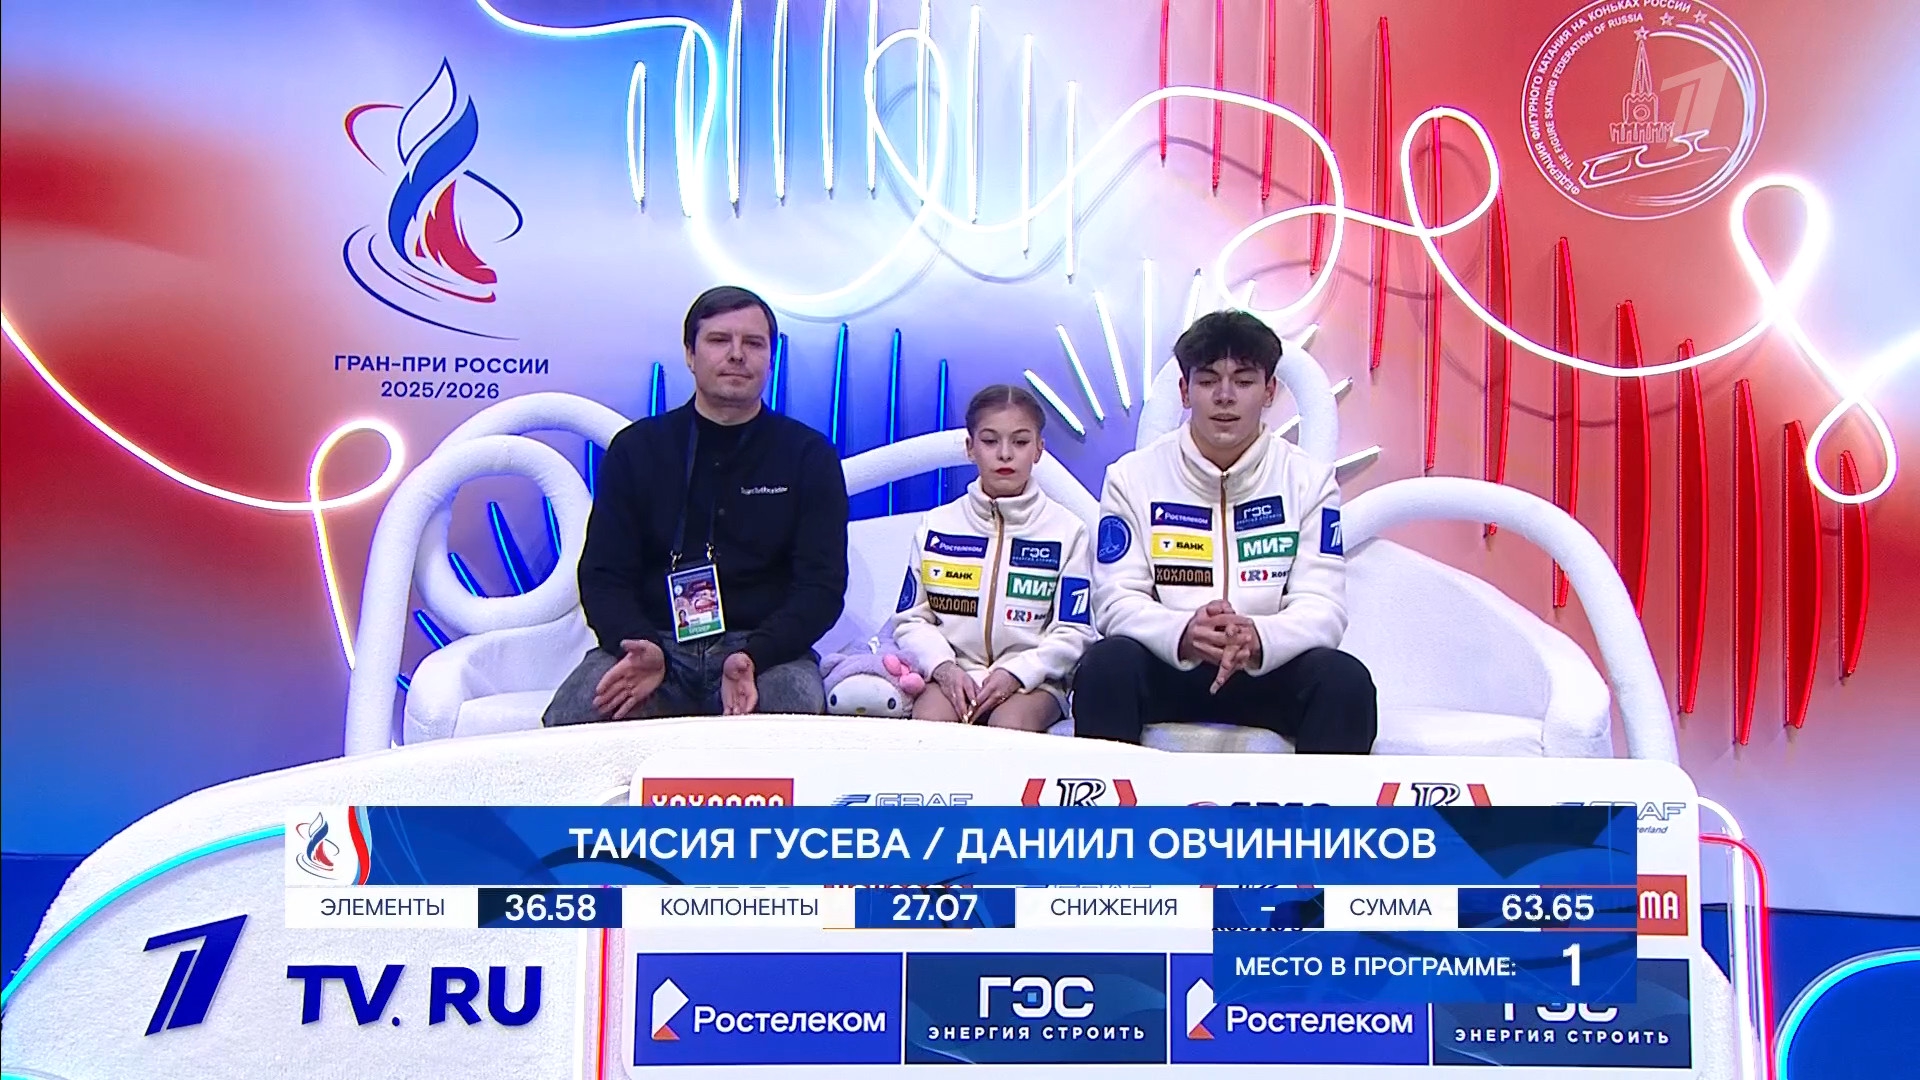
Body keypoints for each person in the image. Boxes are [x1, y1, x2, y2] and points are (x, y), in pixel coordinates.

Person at [1071, 310, 1377, 751]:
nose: (1225, 397)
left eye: (1244, 381)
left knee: (1345, 681)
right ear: (1184, 390)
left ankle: (1318, 802)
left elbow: (1323, 606)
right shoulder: (1131, 477)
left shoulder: (1309, 480)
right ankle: (1107, 799)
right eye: (1208, 380)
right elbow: (1116, 601)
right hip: (1170, 664)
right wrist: (1185, 633)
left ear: (1270, 391)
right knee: (1105, 665)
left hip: (1267, 667)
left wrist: (1257, 637)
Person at [542, 286, 849, 724]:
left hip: (761, 655)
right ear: (689, 353)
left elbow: (821, 586)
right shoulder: (637, 449)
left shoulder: (808, 455)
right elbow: (603, 575)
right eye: (719, 340)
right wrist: (638, 643)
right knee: (576, 712)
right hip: (655, 649)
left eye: (754, 343)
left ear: (770, 358)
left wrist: (756, 653)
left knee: (788, 710)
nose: (737, 355)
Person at [888, 385, 1096, 731]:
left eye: (1020, 442)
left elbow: (1074, 630)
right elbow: (911, 620)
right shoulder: (936, 525)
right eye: (989, 441)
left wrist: (1017, 673)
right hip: (954, 675)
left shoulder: (1068, 531)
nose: (1005, 454)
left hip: (1034, 683)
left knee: (1008, 728)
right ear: (970, 448)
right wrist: (944, 667)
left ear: (1039, 450)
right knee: (931, 725)